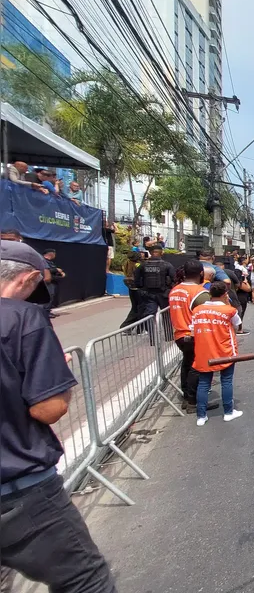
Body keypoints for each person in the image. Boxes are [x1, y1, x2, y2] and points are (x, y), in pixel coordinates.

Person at [0, 240, 117, 592]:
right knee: (86, 580)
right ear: (29, 278)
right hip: (20, 493)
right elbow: (47, 408)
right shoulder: (23, 319)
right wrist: (59, 378)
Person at [168, 261, 219, 412]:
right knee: (197, 368)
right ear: (201, 274)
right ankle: (193, 401)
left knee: (187, 365)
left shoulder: (175, 290)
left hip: (179, 334)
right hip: (194, 335)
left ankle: (186, 397)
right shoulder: (200, 292)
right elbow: (207, 315)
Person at [190, 282, 243, 426]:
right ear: (225, 294)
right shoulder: (229, 310)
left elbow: (193, 329)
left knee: (203, 383)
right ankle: (228, 412)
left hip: (203, 350)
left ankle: (201, 416)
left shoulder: (197, 310)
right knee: (226, 380)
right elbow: (237, 325)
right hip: (224, 349)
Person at [134, 245, 176, 343]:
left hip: (148, 294)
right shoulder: (166, 265)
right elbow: (174, 278)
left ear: (151, 253)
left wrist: (141, 289)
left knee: (149, 315)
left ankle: (153, 339)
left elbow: (136, 278)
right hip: (163, 294)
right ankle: (169, 337)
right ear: (161, 253)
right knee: (166, 315)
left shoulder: (143, 265)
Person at [41, 248, 64, 318]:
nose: (55, 255)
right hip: (46, 282)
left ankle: (48, 311)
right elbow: (44, 270)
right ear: (51, 253)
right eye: (54, 253)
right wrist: (56, 269)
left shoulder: (50, 262)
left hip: (52, 281)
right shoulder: (43, 261)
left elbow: (53, 271)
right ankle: (45, 313)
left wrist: (60, 273)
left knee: (51, 297)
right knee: (48, 297)